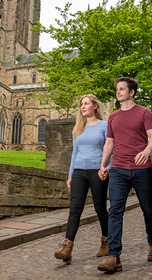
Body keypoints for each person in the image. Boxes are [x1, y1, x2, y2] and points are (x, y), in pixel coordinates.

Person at [97, 77, 152, 273]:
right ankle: (114, 257)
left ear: (131, 92)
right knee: (115, 211)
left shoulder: (144, 112)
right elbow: (109, 143)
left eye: (122, 89)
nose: (118, 92)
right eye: (117, 89)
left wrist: (147, 151)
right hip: (118, 170)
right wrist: (103, 165)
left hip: (142, 169)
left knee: (148, 209)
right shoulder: (113, 117)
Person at [54, 94, 111, 264]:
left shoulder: (104, 125)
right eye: (81, 104)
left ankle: (106, 241)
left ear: (95, 106)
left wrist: (107, 168)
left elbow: (111, 149)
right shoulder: (78, 128)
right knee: (75, 209)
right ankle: (67, 247)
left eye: (86, 103)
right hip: (79, 171)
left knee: (100, 208)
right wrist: (71, 174)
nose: (83, 107)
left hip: (97, 171)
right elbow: (74, 153)